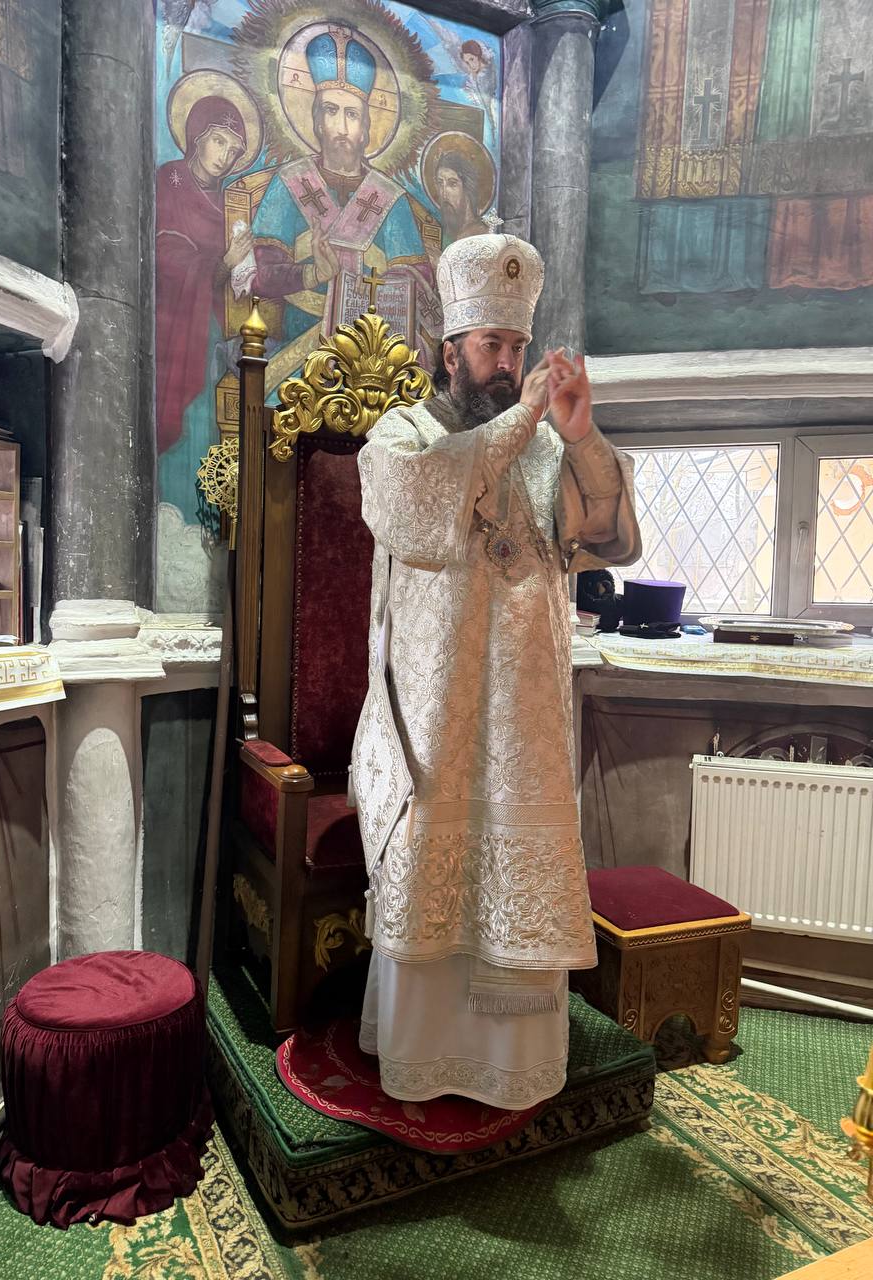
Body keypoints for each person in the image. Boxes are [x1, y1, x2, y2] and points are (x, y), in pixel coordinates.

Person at [351, 234, 641, 1110]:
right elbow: (426, 498)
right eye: (492, 346)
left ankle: (511, 1066)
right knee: (436, 857)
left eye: (518, 347)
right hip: (435, 714)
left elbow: (612, 538)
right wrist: (529, 418)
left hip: (524, 717)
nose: (510, 363)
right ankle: (424, 1056)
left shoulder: (546, 449)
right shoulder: (403, 434)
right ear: (452, 352)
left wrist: (580, 436)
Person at [238, 30, 437, 390]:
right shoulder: (289, 185)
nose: (342, 128)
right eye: (331, 111)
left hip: (377, 357)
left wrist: (385, 289)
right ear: (316, 120)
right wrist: (314, 273)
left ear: (366, 129)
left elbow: (418, 281)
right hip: (304, 355)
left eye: (352, 115)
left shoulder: (390, 199)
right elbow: (260, 276)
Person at [154, 94, 250, 488]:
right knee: (187, 416)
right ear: (196, 136)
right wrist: (224, 264)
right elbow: (165, 255)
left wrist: (310, 271)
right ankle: (173, 506)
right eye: (218, 141)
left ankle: (203, 513)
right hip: (177, 329)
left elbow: (252, 268)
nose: (225, 156)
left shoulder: (232, 204)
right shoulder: (169, 181)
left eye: (234, 149)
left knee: (208, 420)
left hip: (212, 330)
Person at [433, 150, 488, 246]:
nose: (444, 193)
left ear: (468, 188)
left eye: (452, 184)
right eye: (440, 183)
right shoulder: (443, 232)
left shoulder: (481, 233)